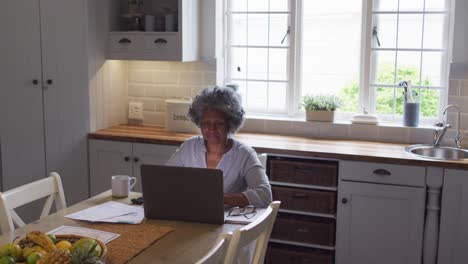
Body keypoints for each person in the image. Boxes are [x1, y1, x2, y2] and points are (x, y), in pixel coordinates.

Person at [166, 86, 272, 208]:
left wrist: (219, 198)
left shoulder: (244, 154)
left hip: (225, 222)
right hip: (189, 214)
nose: (211, 129)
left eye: (219, 123)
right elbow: (165, 180)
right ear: (199, 123)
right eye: (206, 123)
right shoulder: (189, 147)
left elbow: (265, 196)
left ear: (230, 124)